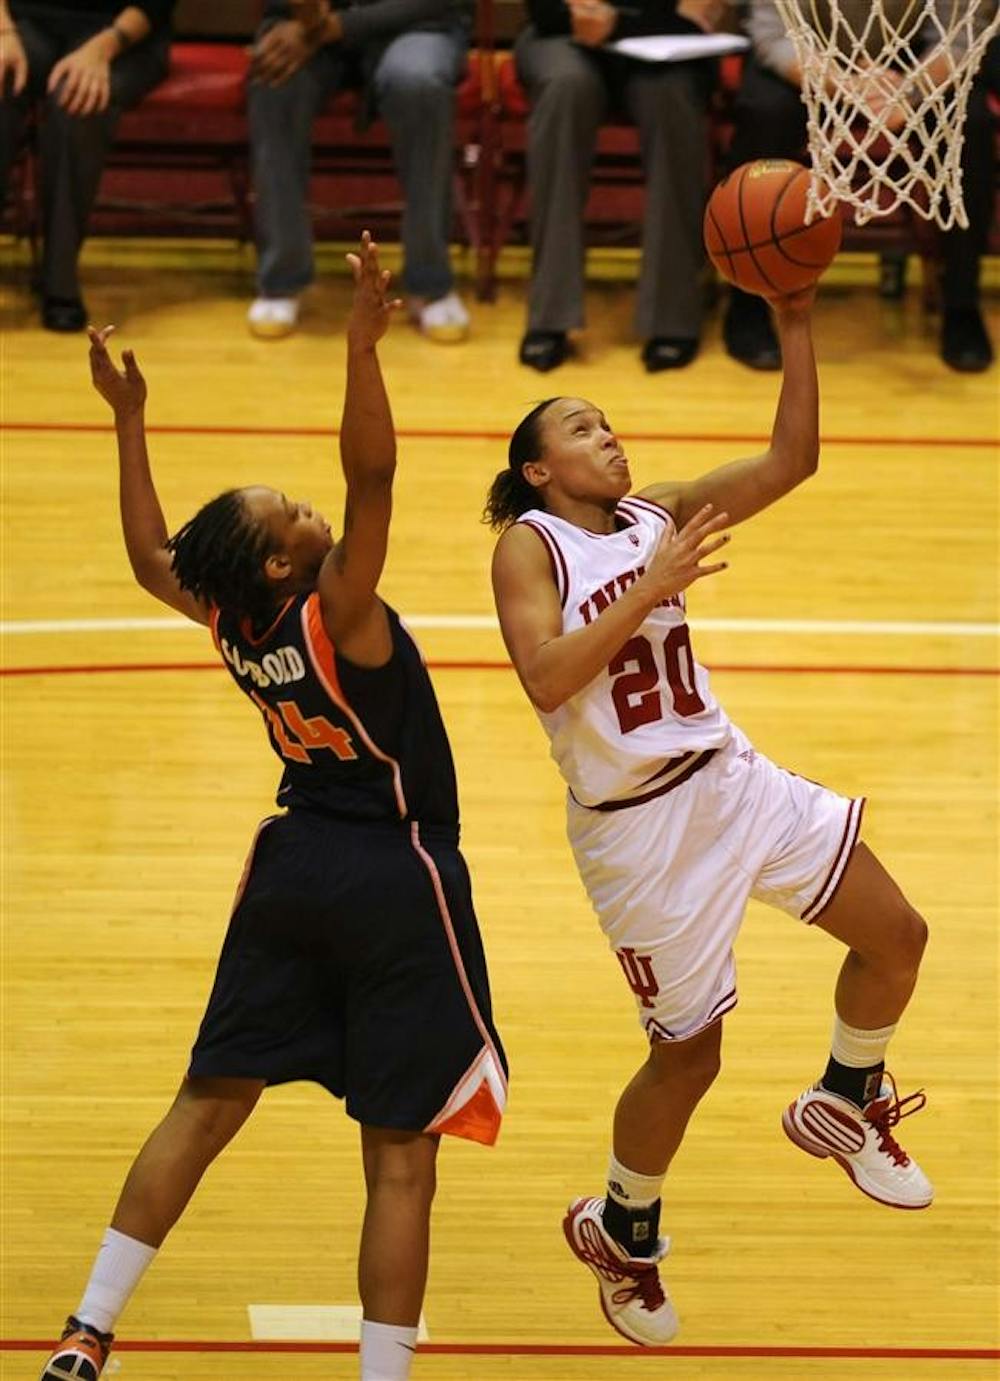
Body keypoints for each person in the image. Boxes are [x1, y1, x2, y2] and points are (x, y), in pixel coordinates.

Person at [39, 234, 507, 1381]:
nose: (312, 508)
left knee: (205, 1101)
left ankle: (88, 1329)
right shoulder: (339, 611)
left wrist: (128, 420)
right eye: (293, 511)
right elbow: (375, 479)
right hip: (393, 873)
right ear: (283, 567)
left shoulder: (232, 621)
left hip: (290, 866)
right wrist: (359, 343)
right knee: (400, 1154)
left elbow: (159, 559)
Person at [486, 285, 930, 1346]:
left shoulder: (660, 511)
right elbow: (546, 677)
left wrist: (793, 318)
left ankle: (843, 1094)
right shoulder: (530, 546)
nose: (608, 434)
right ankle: (622, 1229)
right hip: (638, 830)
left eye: (609, 419)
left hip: (730, 779)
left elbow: (791, 461)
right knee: (690, 1056)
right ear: (540, 468)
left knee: (897, 934)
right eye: (581, 427)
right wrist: (650, 588)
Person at [724, 0, 998, 373]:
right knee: (764, 113)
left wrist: (911, 90)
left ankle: (961, 302)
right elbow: (773, 35)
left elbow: (961, 35)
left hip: (913, 63)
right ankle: (747, 301)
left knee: (973, 126)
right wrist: (846, 87)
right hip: (811, 58)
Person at [514, 0, 730, 373]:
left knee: (671, 96)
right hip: (566, 32)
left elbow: (696, 17)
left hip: (667, 43)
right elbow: (546, 13)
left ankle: (673, 316)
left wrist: (624, 22)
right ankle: (550, 315)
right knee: (565, 87)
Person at [246, 0, 472, 343]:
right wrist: (305, 15)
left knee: (418, 83)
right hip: (308, 27)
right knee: (275, 80)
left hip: (416, 23)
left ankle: (431, 283)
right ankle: (282, 278)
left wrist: (338, 25)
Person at [0, 0, 174, 331]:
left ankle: (59, 280)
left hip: (125, 37)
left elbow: (156, 5)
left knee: (77, 99)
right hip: (22, 24)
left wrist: (101, 49)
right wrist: (2, 30)